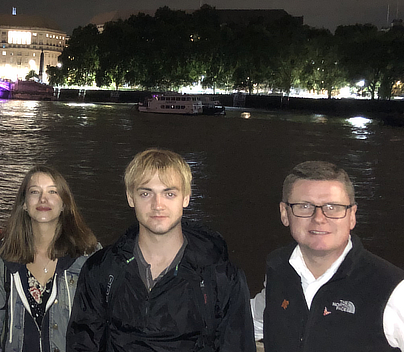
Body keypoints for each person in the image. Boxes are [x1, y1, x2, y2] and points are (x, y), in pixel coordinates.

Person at [67, 149, 255, 352]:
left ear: (186, 198)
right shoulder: (101, 270)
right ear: (131, 198)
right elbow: (82, 345)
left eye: (169, 193)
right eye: (146, 193)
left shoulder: (222, 277)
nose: (158, 205)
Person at [251, 161, 404, 351]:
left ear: (352, 216)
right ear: (285, 213)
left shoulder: (393, 290)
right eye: (305, 206)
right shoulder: (278, 272)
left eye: (333, 207)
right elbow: (252, 321)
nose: (319, 218)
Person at [0, 165, 99, 352]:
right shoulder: (7, 260)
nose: (43, 199)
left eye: (52, 191)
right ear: (24, 204)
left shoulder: (86, 256)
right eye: (35, 192)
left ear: (64, 203)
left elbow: (103, 324)